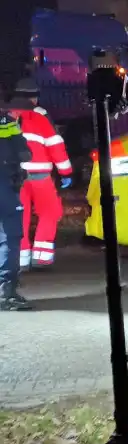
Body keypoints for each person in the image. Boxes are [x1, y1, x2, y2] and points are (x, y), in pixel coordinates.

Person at [7, 78, 72, 270]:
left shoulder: (7, 115)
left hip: (14, 175)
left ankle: (21, 260)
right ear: (34, 97)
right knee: (51, 211)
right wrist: (65, 172)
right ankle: (42, 258)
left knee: (20, 216)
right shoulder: (41, 115)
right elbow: (55, 145)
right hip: (39, 176)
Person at [0, 107, 31, 309]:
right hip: (3, 184)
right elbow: (25, 153)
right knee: (9, 235)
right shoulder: (6, 121)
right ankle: (6, 292)